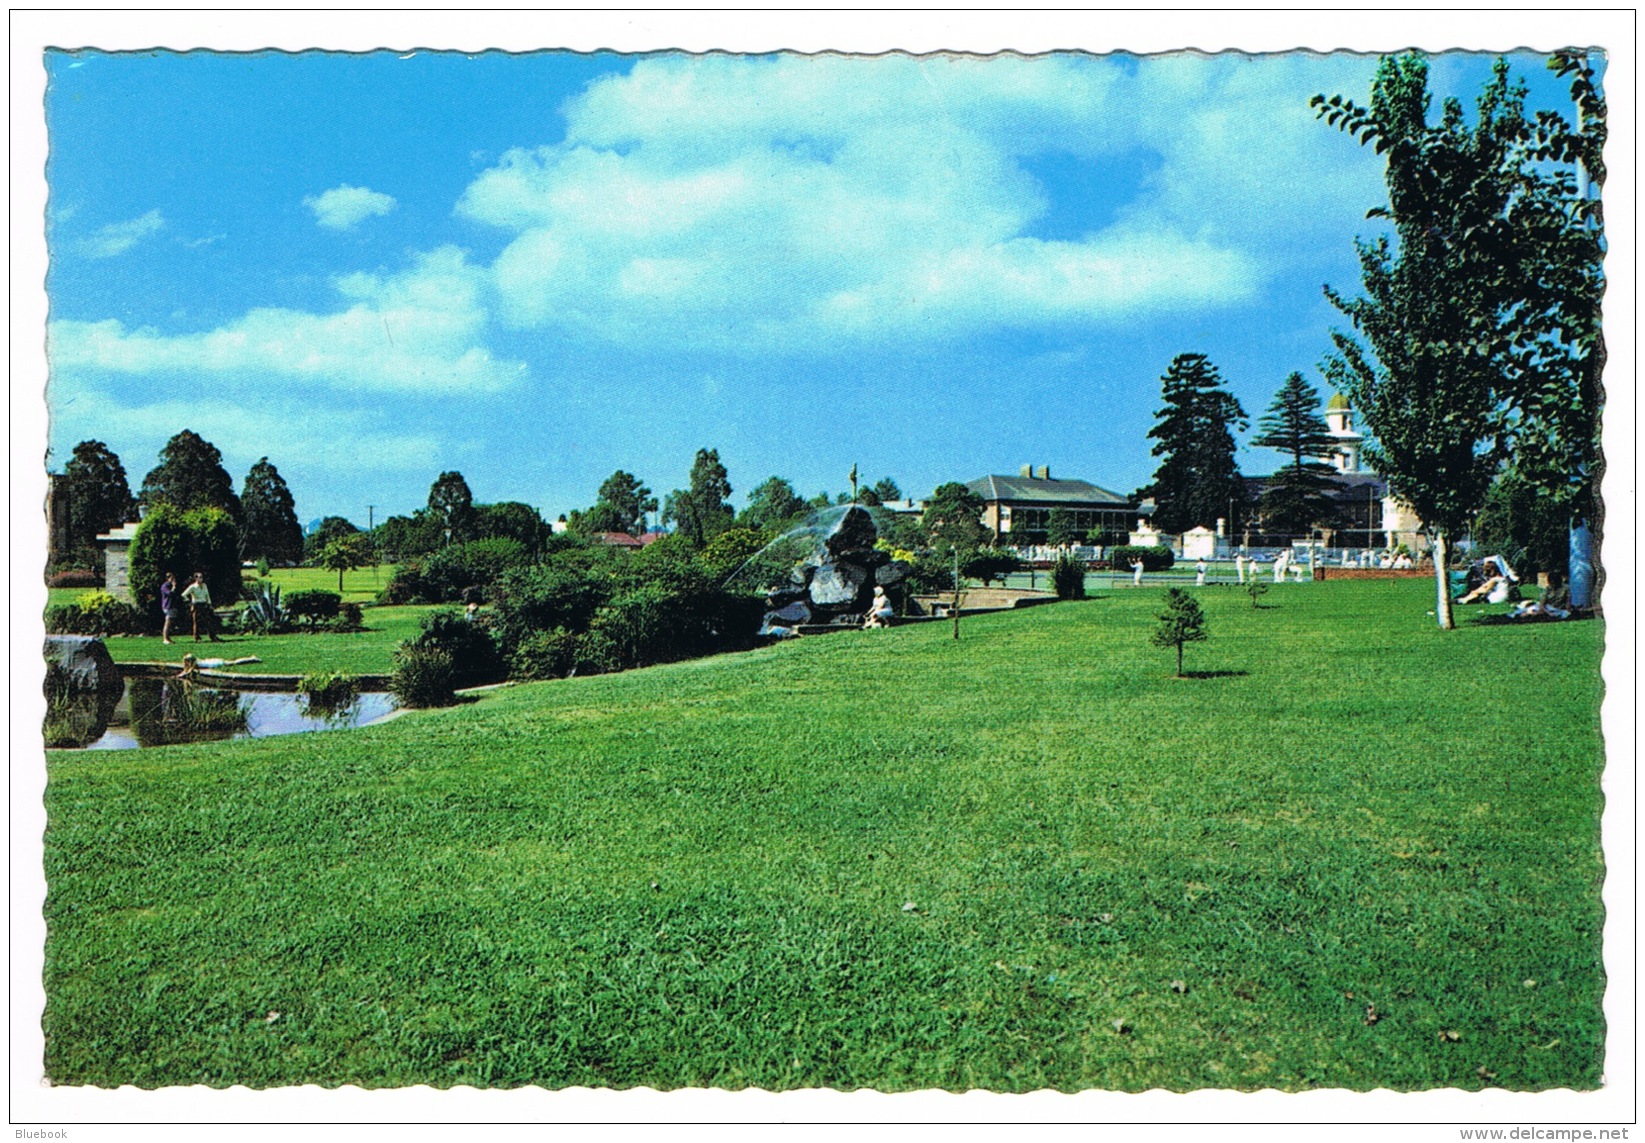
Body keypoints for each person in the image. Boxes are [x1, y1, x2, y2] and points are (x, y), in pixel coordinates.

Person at [181, 571, 222, 642]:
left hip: (204, 604)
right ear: (195, 578)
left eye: (201, 577)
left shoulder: (204, 585)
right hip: (196, 605)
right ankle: (197, 637)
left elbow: (207, 595)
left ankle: (213, 636)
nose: (200, 579)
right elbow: (184, 595)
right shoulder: (192, 587)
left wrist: (209, 603)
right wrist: (190, 602)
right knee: (196, 622)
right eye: (199, 577)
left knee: (208, 621)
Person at [176, 652, 261, 679]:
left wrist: (179, 676)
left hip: (216, 663)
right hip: (212, 661)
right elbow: (185, 670)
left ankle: (252, 659)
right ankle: (251, 658)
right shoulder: (193, 663)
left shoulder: (194, 664)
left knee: (233, 662)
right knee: (233, 662)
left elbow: (188, 672)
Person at [159, 571, 179, 644]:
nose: (173, 580)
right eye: (172, 578)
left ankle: (168, 638)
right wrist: (173, 587)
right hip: (168, 606)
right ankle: (165, 639)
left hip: (172, 606)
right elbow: (170, 593)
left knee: (171, 623)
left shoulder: (171, 586)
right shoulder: (165, 586)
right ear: (168, 578)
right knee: (167, 622)